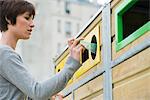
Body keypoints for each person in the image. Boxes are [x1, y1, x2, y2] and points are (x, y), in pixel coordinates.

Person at [0, 0, 84, 100]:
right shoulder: (5, 54)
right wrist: (72, 64)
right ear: (9, 19)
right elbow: (37, 92)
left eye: (32, 19)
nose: (32, 24)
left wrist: (48, 97)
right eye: (27, 18)